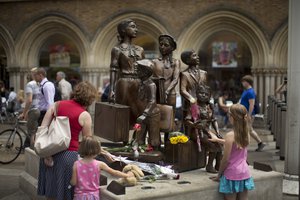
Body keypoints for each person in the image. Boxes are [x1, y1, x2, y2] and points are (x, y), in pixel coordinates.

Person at [37, 81, 98, 200]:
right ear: (90, 99)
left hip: (49, 151)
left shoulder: (57, 104)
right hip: (68, 155)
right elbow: (87, 143)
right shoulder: (85, 115)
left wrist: (45, 152)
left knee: (51, 191)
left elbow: (43, 127)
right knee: (65, 193)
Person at [209, 104, 255, 200]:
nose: (228, 116)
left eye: (229, 114)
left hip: (231, 175)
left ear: (233, 118)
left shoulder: (230, 135)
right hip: (244, 173)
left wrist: (219, 175)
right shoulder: (245, 133)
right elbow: (236, 144)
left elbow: (225, 160)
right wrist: (218, 140)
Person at [70, 136, 132, 200]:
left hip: (79, 196)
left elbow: (73, 182)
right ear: (97, 150)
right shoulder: (99, 164)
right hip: (94, 196)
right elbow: (114, 172)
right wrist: (127, 175)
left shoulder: (76, 164)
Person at [108, 19, 145, 126]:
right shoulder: (117, 49)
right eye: (132, 27)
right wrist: (112, 90)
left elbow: (145, 69)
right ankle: (123, 139)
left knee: (139, 111)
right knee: (123, 111)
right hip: (124, 82)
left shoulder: (140, 49)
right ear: (123, 31)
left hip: (138, 82)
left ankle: (138, 139)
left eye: (136, 27)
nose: (136, 29)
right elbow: (113, 69)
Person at [185, 85, 222, 173]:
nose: (203, 95)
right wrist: (194, 125)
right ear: (197, 94)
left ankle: (218, 166)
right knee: (213, 145)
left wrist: (217, 132)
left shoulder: (210, 106)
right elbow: (187, 120)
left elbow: (214, 120)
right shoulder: (193, 106)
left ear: (209, 96)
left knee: (220, 144)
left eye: (206, 94)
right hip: (196, 132)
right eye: (201, 93)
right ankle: (209, 166)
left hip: (207, 131)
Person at [135, 59, 161, 150]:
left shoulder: (151, 85)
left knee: (154, 139)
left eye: (138, 70)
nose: (136, 71)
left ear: (145, 72)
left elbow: (152, 101)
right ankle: (139, 149)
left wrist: (145, 114)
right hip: (142, 114)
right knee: (138, 137)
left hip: (151, 115)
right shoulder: (140, 83)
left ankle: (155, 153)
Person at [180, 50, 207, 132]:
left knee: (203, 126)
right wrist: (191, 99)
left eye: (197, 55)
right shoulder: (185, 74)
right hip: (189, 105)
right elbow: (182, 90)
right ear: (188, 60)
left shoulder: (204, 73)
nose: (197, 57)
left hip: (202, 104)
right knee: (190, 127)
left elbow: (206, 89)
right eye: (194, 56)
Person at [152, 34, 180, 107]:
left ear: (172, 48)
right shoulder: (154, 61)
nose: (162, 47)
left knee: (170, 116)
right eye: (161, 44)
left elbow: (175, 79)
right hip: (156, 94)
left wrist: (167, 92)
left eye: (166, 45)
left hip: (170, 94)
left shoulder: (175, 62)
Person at [240, 75, 265, 152]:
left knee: (246, 130)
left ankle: (244, 147)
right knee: (249, 130)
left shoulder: (250, 92)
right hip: (244, 113)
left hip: (247, 113)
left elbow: (251, 104)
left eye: (244, 81)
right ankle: (260, 143)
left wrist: (249, 115)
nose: (242, 83)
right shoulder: (246, 91)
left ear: (247, 82)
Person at [19, 72, 41, 149]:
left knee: (32, 133)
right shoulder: (40, 84)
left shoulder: (29, 84)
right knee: (35, 132)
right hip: (41, 110)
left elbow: (29, 100)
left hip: (34, 110)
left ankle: (32, 152)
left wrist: (24, 113)